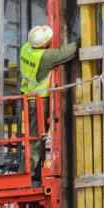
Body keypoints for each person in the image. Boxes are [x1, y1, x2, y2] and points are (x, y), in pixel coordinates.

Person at [19, 25, 77, 184]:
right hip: (38, 101)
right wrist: (82, 39)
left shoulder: (25, 48)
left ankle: (33, 173)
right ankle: (28, 175)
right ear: (44, 45)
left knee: (33, 137)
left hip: (27, 96)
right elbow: (66, 52)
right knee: (36, 139)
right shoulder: (44, 58)